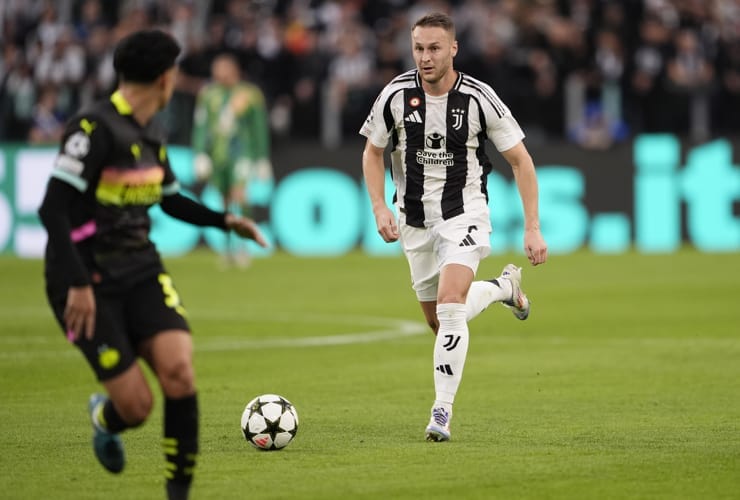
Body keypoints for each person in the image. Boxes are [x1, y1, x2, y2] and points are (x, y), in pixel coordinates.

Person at [37, 30, 267, 500]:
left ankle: (177, 494)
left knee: (180, 372)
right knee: (136, 407)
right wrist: (78, 284)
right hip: (85, 278)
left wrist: (226, 220)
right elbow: (52, 210)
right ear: (165, 79)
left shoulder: (151, 135)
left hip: (140, 269)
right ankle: (105, 417)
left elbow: (170, 201)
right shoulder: (92, 129)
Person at [360, 12, 548, 442]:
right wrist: (378, 208)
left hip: (464, 213)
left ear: (453, 49)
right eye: (419, 49)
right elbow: (372, 153)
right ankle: (503, 289)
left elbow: (521, 161)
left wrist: (532, 227)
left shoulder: (480, 98)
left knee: (449, 305)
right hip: (413, 222)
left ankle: (440, 414)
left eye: (434, 48)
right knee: (441, 322)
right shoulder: (394, 95)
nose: (425, 58)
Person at [191, 52, 273, 267]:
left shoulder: (249, 94)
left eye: (222, 69)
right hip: (219, 156)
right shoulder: (208, 94)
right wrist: (200, 152)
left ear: (234, 70)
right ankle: (227, 249)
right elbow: (201, 125)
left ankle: (244, 248)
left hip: (242, 153)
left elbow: (259, 127)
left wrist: (262, 157)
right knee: (224, 200)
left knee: (240, 195)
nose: (218, 74)